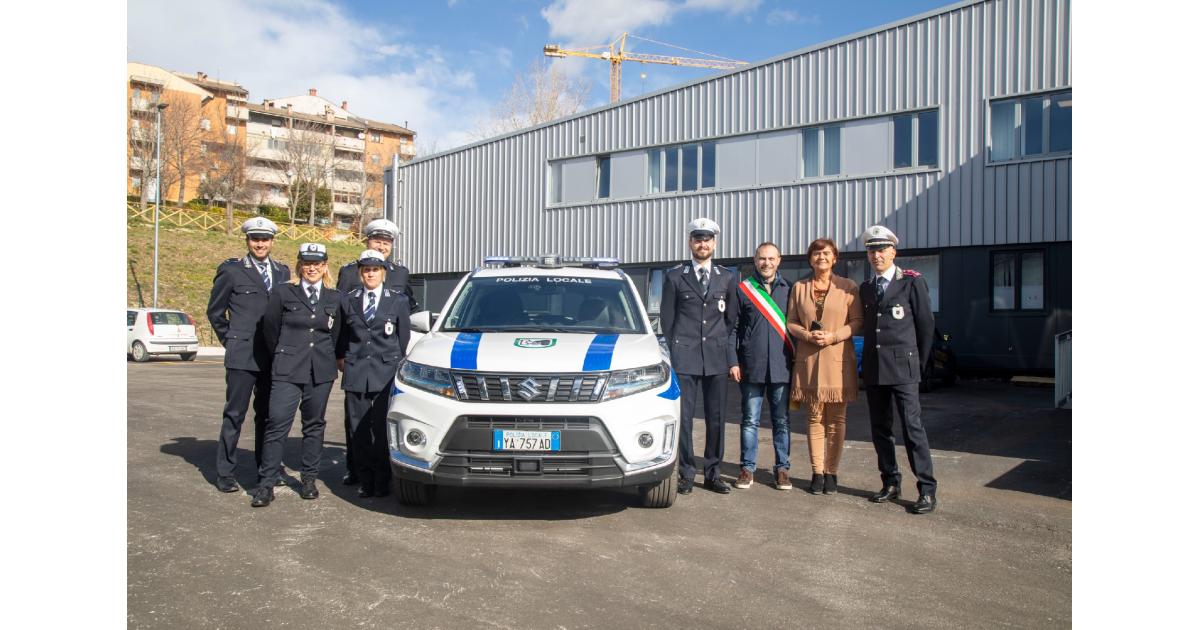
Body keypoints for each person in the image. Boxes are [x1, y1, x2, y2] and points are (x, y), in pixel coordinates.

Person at [250, 243, 342, 508]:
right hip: (288, 369)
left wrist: (326, 357)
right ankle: (266, 484)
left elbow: (336, 335)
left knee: (314, 426)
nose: (312, 268)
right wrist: (283, 354)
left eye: (317, 263)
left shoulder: (335, 297)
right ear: (300, 265)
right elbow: (270, 329)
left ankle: (309, 480)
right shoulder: (283, 293)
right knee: (277, 424)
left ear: (325, 266)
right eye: (307, 263)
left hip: (320, 371)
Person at [206, 217, 290, 493]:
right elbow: (215, 312)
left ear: (272, 242)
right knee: (235, 415)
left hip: (272, 357)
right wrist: (231, 340)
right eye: (255, 239)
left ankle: (265, 469)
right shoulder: (232, 271)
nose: (260, 244)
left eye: (265, 239)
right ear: (248, 241)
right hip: (242, 356)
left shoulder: (281, 271)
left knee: (268, 416)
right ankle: (225, 473)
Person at [858, 225, 938, 514]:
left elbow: (926, 327)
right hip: (876, 369)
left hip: (904, 369)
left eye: (881, 249)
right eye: (871, 250)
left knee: (912, 428)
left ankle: (927, 489)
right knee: (881, 430)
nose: (876, 255)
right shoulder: (866, 288)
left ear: (893, 251)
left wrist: (919, 364)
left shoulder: (911, 283)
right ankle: (890, 482)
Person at [335, 218, 418, 486]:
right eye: (377, 240)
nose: (382, 245)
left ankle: (382, 473)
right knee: (355, 423)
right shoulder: (349, 273)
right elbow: (340, 318)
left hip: (384, 361)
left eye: (387, 241)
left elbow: (405, 325)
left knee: (383, 423)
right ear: (367, 241)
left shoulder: (401, 275)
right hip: (357, 360)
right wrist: (341, 355)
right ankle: (356, 470)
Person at [661, 218, 738, 495]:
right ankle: (686, 473)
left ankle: (713, 473)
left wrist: (728, 355)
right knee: (684, 418)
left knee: (717, 418)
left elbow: (731, 321)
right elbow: (667, 322)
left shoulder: (727, 277)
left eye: (707, 239)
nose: (702, 244)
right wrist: (672, 355)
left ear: (714, 243)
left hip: (716, 359)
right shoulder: (674, 276)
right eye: (697, 239)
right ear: (690, 242)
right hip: (684, 358)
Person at [785, 238, 863, 495]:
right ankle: (817, 472)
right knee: (815, 417)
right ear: (810, 259)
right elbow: (791, 322)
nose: (821, 257)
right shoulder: (799, 287)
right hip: (809, 360)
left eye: (826, 253)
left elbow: (856, 321)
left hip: (837, 360)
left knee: (837, 420)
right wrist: (807, 335)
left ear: (834, 258)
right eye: (817, 254)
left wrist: (833, 336)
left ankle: (832, 472)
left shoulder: (848, 287)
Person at [729, 242, 794, 491]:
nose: (766, 263)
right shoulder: (743, 290)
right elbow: (732, 328)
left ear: (779, 260)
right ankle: (747, 468)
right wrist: (733, 361)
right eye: (761, 259)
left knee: (782, 421)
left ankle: (782, 469)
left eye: (771, 258)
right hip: (751, 367)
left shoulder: (790, 289)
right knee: (750, 421)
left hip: (782, 366)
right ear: (755, 261)